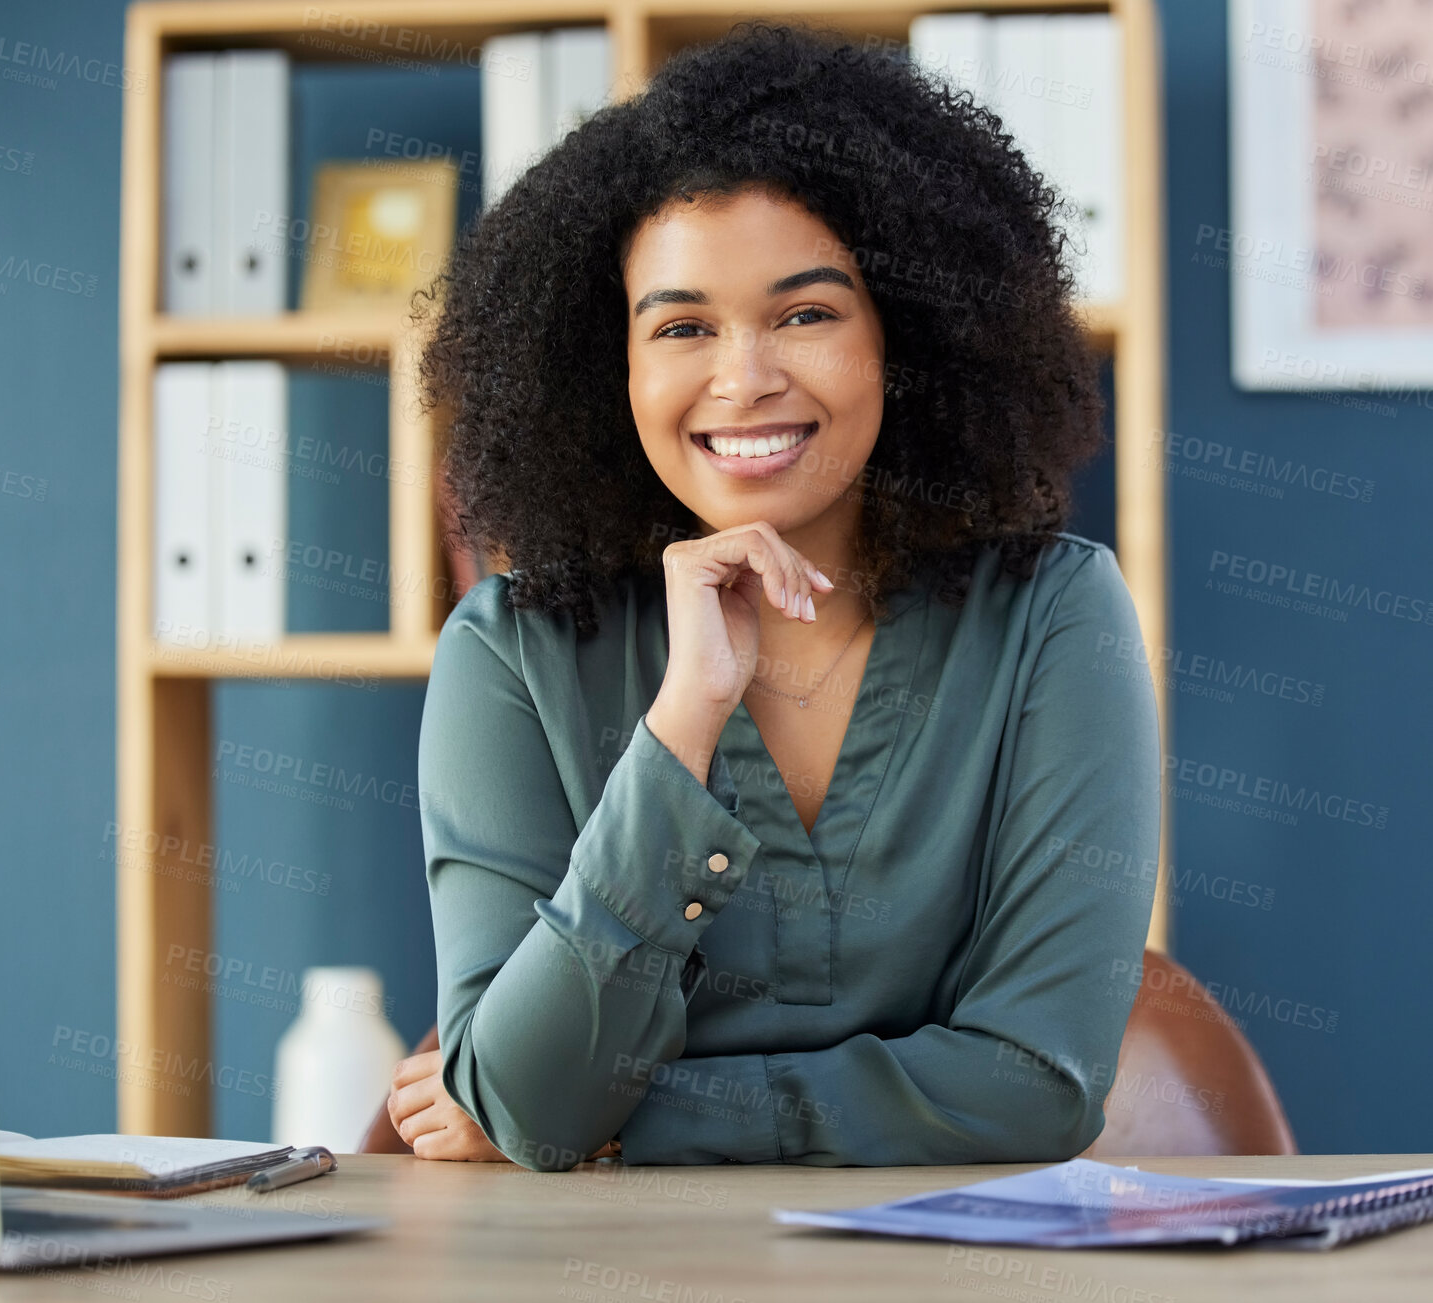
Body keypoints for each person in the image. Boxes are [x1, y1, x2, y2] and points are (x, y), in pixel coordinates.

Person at [383, 20, 1160, 1171]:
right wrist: (684, 718)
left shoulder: (1056, 618)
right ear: (616, 369)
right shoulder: (509, 654)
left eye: (806, 313)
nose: (744, 379)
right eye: (683, 326)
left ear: (906, 338)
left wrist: (631, 1120)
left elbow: (1036, 1087)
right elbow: (530, 1096)